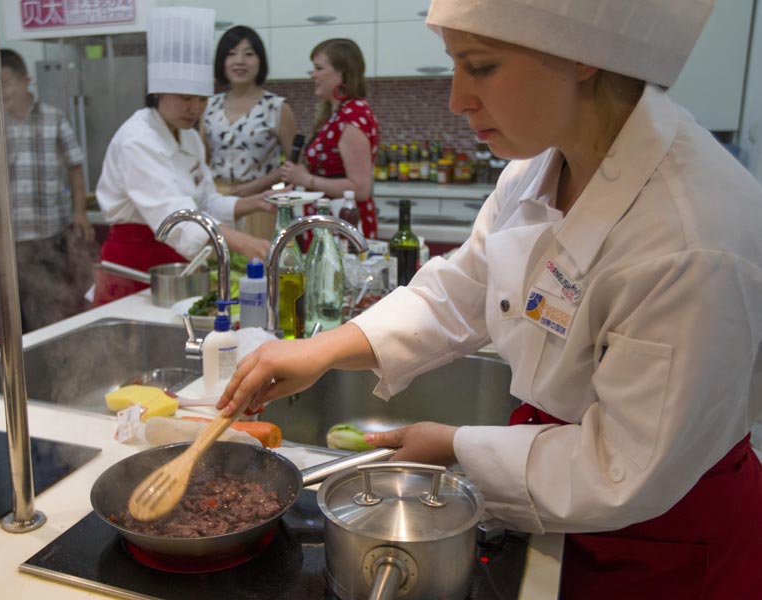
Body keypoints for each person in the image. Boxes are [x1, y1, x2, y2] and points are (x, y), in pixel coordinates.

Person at [219, 0, 762, 597]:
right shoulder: (540, 165)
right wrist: (321, 350)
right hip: (556, 496)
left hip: (663, 540)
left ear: (582, 56)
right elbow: (464, 288)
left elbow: (620, 467)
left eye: (479, 66)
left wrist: (457, 446)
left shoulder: (690, 237)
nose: (456, 99)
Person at [93, 8, 274, 305]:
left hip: (178, 267)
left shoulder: (187, 135)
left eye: (202, 99)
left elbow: (205, 202)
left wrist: (253, 203)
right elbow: (176, 218)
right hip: (133, 269)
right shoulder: (137, 140)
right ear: (158, 93)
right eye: (186, 99)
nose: (196, 109)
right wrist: (244, 243)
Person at [0, 48, 95, 332]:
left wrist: (80, 212)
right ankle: (21, 372)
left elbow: (75, 166)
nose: (1, 92)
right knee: (9, 320)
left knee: (50, 312)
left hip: (50, 234)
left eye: (6, 83)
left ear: (26, 80)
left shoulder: (53, 118)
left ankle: (52, 369)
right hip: (3, 240)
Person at [278, 38, 380, 243]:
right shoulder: (339, 113)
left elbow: (360, 189)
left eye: (318, 68)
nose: (313, 75)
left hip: (344, 227)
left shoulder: (352, 116)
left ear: (341, 72)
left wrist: (306, 179)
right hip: (332, 225)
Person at [202, 25, 297, 240]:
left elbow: (295, 166)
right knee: (219, 266)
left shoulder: (277, 107)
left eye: (249, 54)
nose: (239, 61)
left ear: (260, 60)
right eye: (231, 54)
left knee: (259, 266)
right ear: (221, 62)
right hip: (217, 200)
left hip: (261, 203)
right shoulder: (208, 106)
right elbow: (202, 160)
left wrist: (256, 186)